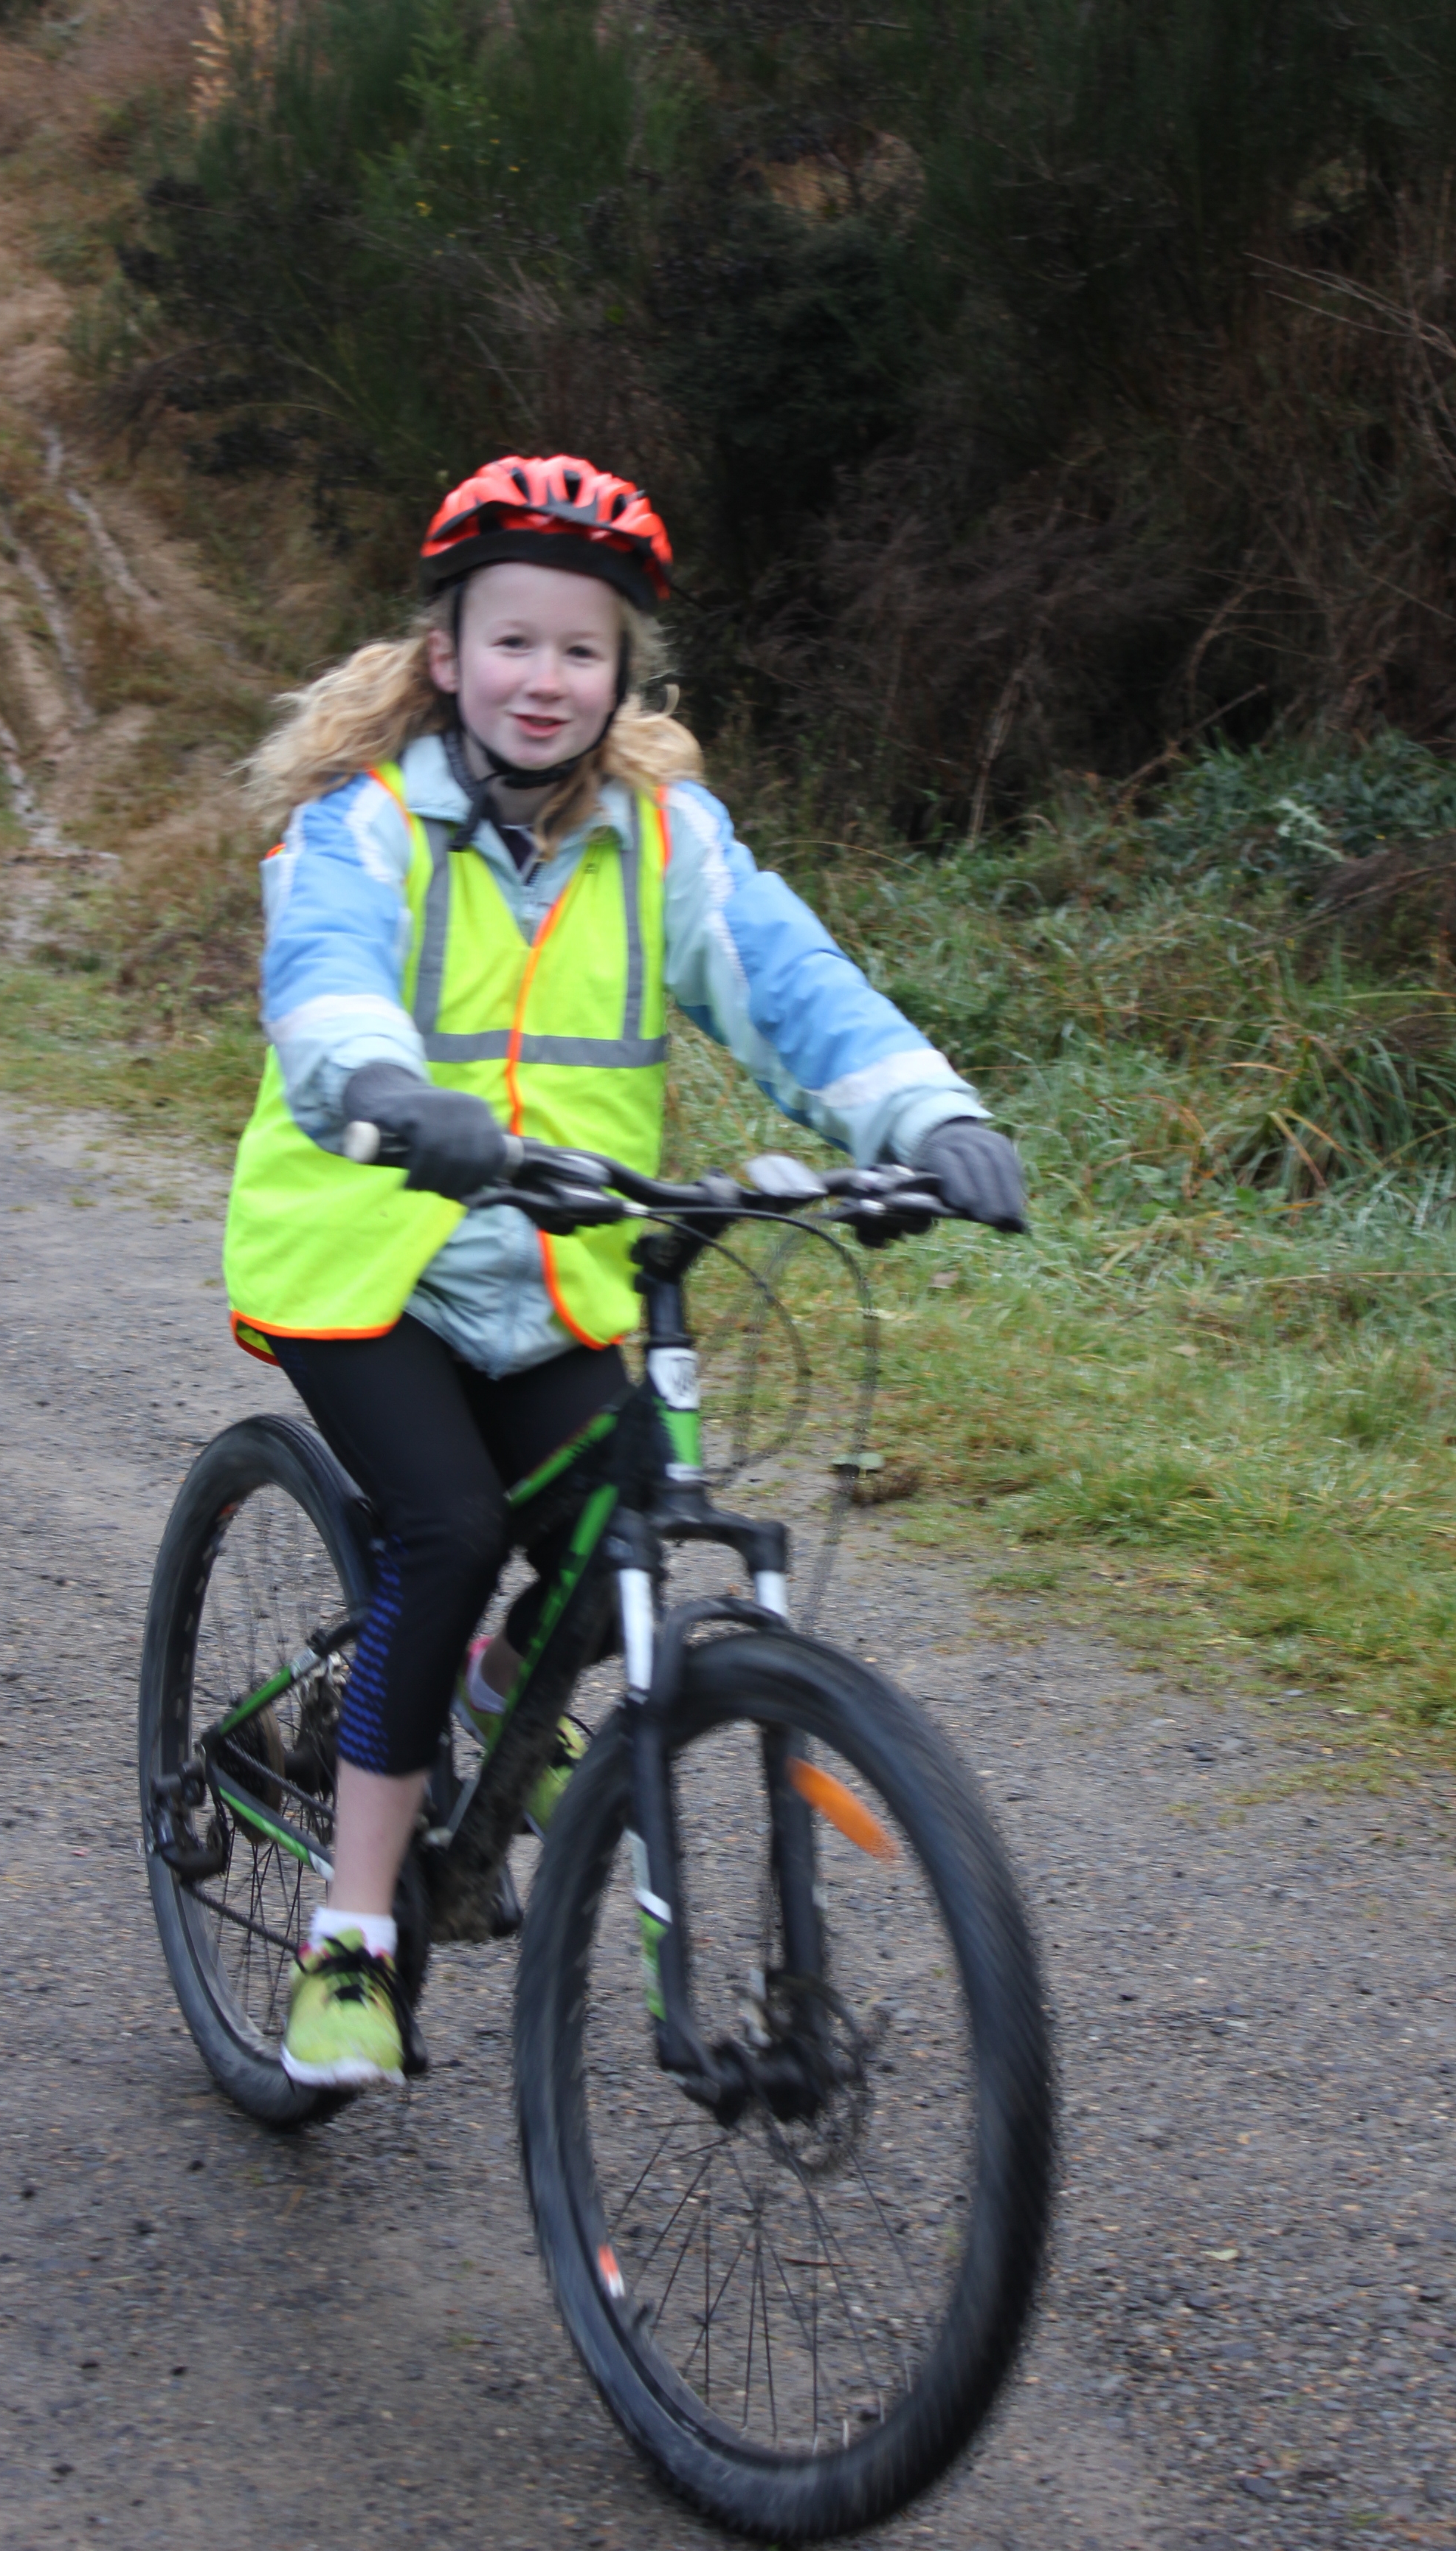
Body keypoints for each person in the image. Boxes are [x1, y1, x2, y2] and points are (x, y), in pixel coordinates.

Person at [223, 453, 1026, 2090]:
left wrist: (927, 1115)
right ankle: (351, 1941)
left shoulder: (667, 843)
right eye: (512, 641)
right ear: (445, 654)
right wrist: (382, 1085)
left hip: (559, 1265)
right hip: (369, 1254)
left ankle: (489, 1696)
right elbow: (324, 980)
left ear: (622, 674)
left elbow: (794, 986)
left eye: (581, 650)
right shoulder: (358, 830)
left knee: (620, 1526)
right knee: (448, 1532)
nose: (545, 678)